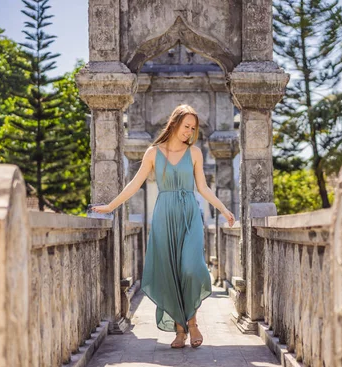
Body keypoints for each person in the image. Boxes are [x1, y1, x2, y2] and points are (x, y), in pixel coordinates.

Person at [91, 104, 235, 349]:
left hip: (189, 215)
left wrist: (223, 209)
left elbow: (203, 187)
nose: (189, 131)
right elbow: (134, 185)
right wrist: (110, 206)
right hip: (164, 216)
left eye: (193, 128)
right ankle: (181, 330)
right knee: (171, 273)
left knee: (191, 268)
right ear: (174, 123)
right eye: (186, 126)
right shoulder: (153, 153)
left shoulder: (195, 153)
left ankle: (193, 322)